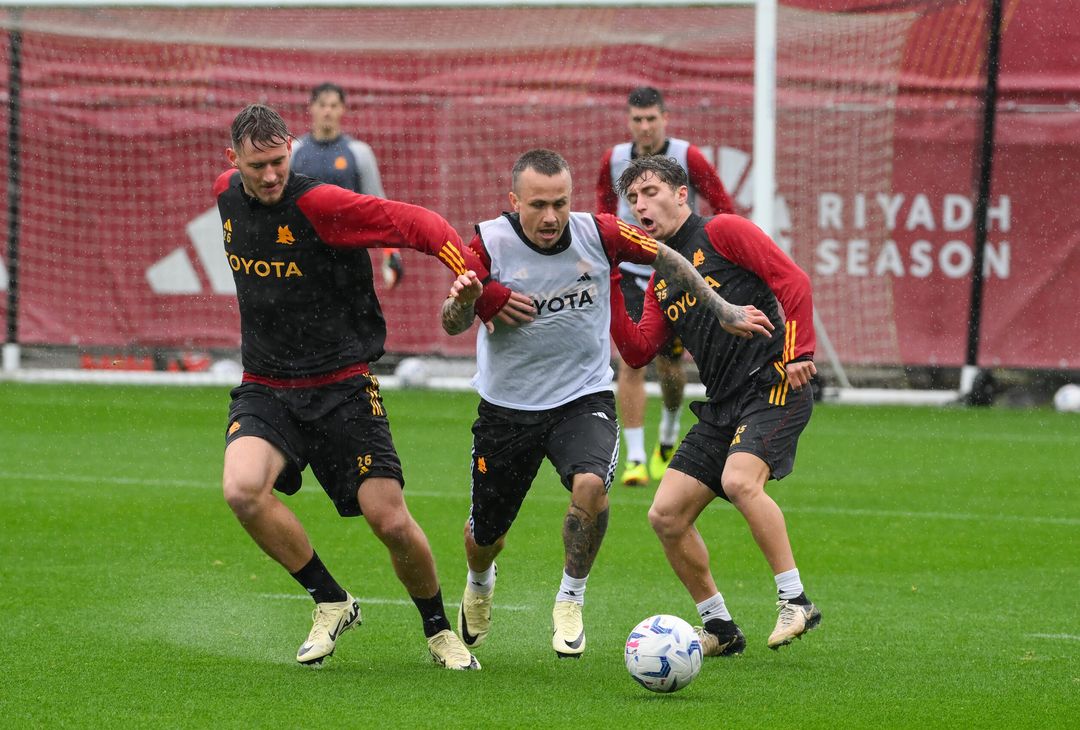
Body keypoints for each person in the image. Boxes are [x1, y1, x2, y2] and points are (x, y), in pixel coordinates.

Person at [439, 149, 772, 660]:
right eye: (538, 205)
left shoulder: (600, 231)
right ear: (514, 202)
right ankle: (480, 582)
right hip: (507, 409)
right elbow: (452, 321)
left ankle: (570, 599)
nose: (551, 217)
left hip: (583, 397)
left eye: (560, 203)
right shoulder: (488, 242)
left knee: (591, 486)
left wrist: (722, 307)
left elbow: (669, 256)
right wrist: (467, 300)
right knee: (485, 534)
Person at [215, 103, 490, 670]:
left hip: (342, 384)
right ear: (233, 160)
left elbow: (422, 224)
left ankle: (438, 630)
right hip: (266, 387)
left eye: (279, 161)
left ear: (291, 149)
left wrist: (473, 283)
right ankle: (330, 600)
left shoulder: (320, 203)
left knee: (388, 521)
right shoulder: (224, 195)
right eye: (258, 165)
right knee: (242, 490)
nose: (271, 176)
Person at [608, 154, 821, 655]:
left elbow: (794, 281)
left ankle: (796, 601)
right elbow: (639, 351)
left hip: (772, 386)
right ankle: (721, 629)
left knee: (738, 481)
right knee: (664, 516)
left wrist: (799, 352)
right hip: (723, 403)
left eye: (651, 192)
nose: (641, 204)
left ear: (682, 194)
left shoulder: (723, 231)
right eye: (633, 197)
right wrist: (612, 287)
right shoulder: (662, 276)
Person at [597, 86, 736, 487]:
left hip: (677, 275)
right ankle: (635, 459)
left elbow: (722, 206)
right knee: (630, 361)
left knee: (671, 367)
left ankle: (668, 436)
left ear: (665, 119)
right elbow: (604, 211)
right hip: (633, 276)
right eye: (637, 119)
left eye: (651, 118)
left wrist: (708, 252)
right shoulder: (614, 159)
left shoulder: (687, 157)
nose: (644, 126)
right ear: (629, 121)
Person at [291, 82, 404, 289]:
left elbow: (379, 206)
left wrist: (391, 253)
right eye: (323, 105)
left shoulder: (359, 153)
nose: (328, 111)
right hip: (302, 255)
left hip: (348, 255)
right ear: (312, 107)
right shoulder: (293, 152)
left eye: (334, 106)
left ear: (342, 109)